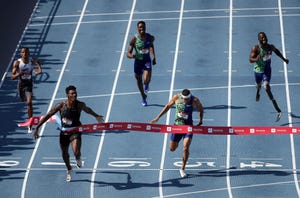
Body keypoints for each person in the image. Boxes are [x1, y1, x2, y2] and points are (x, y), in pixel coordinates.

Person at [32, 85, 104, 182]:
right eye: (72, 93)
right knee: (65, 154)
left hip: (75, 130)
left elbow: (88, 110)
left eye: (75, 93)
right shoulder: (61, 106)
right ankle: (69, 169)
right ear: (67, 95)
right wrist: (37, 127)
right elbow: (48, 115)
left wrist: (97, 116)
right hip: (64, 133)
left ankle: (78, 158)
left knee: (76, 152)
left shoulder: (79, 105)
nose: (74, 95)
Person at [151, 89, 203, 178]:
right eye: (184, 99)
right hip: (177, 127)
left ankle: (182, 168)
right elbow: (167, 106)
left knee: (186, 147)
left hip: (188, 127)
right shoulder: (176, 97)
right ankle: (177, 142)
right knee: (172, 148)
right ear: (181, 97)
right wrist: (157, 118)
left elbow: (201, 109)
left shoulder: (195, 100)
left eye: (187, 99)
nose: (186, 101)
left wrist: (200, 121)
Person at [249, 32, 289, 122]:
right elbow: (250, 60)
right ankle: (258, 90)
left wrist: (284, 59)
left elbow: (277, 52)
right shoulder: (255, 48)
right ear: (258, 39)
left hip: (266, 71)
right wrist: (257, 58)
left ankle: (278, 109)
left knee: (266, 87)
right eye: (262, 38)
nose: (264, 39)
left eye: (265, 37)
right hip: (257, 71)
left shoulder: (270, 47)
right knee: (258, 86)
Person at [11, 47, 42, 133]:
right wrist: (19, 74)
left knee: (29, 103)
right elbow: (12, 77)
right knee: (24, 100)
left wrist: (39, 70)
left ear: (29, 53)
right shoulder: (17, 63)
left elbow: (38, 65)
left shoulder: (32, 61)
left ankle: (30, 124)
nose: (25, 54)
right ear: (21, 54)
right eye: (23, 52)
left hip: (29, 84)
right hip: (21, 84)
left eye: (26, 52)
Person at [127, 20, 156, 106]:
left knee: (146, 79)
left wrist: (153, 56)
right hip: (138, 62)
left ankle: (146, 84)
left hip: (146, 60)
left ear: (145, 27)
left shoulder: (150, 37)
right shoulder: (134, 39)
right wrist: (132, 56)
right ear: (137, 28)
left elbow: (151, 46)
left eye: (143, 27)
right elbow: (128, 53)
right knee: (139, 80)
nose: (142, 28)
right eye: (140, 27)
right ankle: (143, 96)